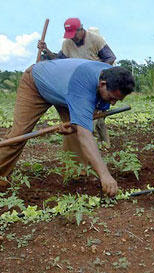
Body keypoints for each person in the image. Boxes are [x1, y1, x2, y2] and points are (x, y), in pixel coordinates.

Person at [0, 58, 135, 196]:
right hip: (36, 83)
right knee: (18, 136)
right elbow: (85, 136)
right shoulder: (83, 87)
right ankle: (1, 176)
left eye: (117, 100)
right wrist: (105, 174)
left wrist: (74, 127)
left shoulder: (108, 74)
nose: (112, 103)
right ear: (102, 84)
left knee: (77, 131)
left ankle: (78, 177)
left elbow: (88, 117)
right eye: (112, 98)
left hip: (66, 91)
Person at [38, 18, 116, 146]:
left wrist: (96, 74)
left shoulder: (96, 40)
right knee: (94, 119)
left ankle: (94, 148)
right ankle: (102, 146)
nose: (72, 38)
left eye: (74, 34)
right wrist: (46, 50)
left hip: (96, 84)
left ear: (81, 29)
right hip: (79, 86)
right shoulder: (67, 43)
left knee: (94, 118)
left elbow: (110, 58)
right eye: (70, 35)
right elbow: (59, 61)